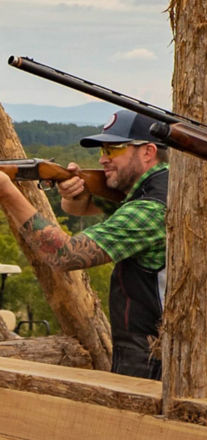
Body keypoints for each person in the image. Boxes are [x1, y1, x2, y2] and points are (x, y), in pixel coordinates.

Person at [0, 109, 168, 379]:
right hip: (154, 351)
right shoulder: (156, 187)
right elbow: (81, 206)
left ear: (148, 152)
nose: (102, 159)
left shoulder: (151, 208)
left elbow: (66, 256)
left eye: (112, 150)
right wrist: (74, 193)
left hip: (153, 360)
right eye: (102, 150)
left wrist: (8, 193)